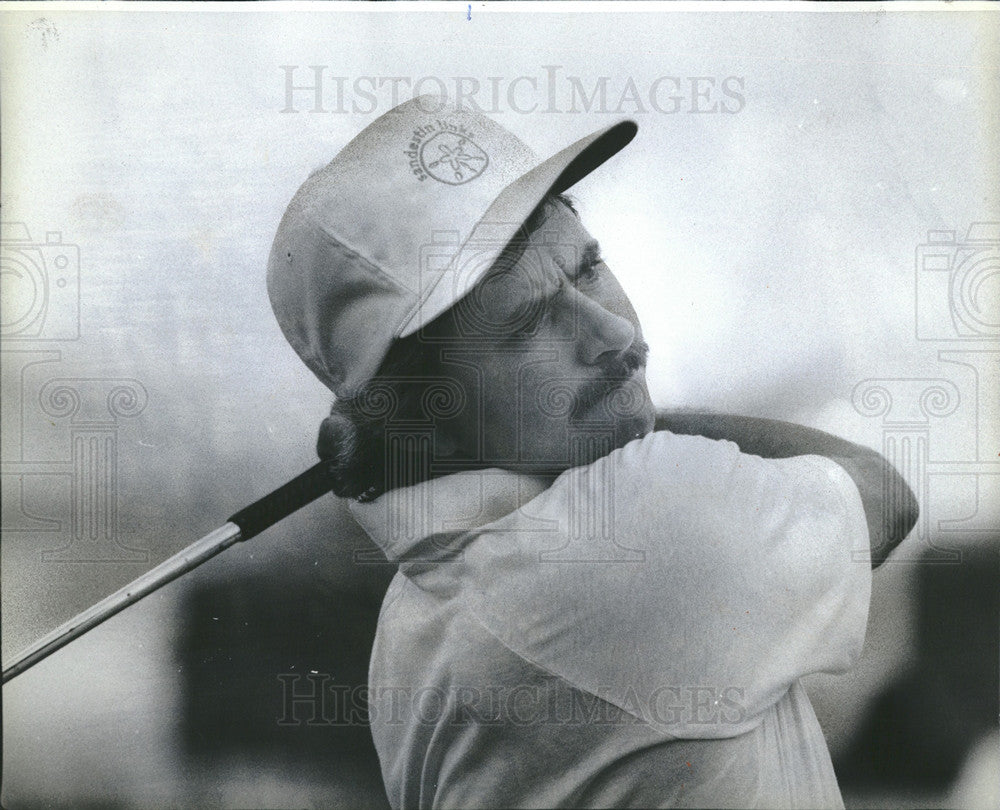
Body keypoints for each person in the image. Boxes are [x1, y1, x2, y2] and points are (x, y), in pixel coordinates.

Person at [267, 95, 918, 809]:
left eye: (586, 270)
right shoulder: (631, 530)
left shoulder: (411, 608)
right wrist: (648, 419)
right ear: (426, 416)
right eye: (526, 324)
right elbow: (882, 494)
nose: (605, 328)